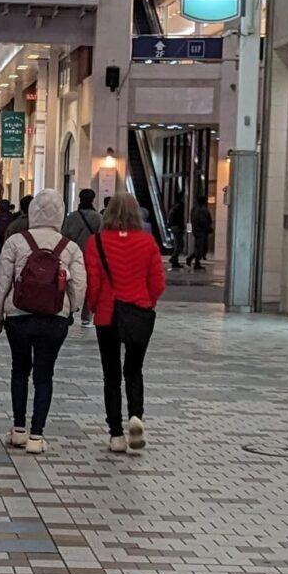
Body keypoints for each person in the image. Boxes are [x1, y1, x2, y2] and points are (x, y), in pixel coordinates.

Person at [0, 188, 87, 455]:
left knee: (19, 371)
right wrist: (71, 309)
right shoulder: (70, 247)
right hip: (54, 319)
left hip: (18, 316)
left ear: (32, 213)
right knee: (44, 375)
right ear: (60, 214)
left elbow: (1, 280)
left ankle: (18, 429)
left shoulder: (16, 242)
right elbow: (78, 285)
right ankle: (37, 435)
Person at [84, 188, 165, 455]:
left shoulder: (96, 243)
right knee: (134, 369)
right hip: (139, 313)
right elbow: (158, 283)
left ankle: (116, 435)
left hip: (107, 315)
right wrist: (147, 302)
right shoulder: (148, 243)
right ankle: (136, 416)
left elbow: (94, 283)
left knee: (111, 374)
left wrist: (94, 307)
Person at [62, 185, 99, 252]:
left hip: (73, 251)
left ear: (80, 199)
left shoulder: (71, 217)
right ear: (92, 200)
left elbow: (64, 236)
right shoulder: (99, 218)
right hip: (91, 252)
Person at [191, 187, 214, 271]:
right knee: (200, 248)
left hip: (196, 230)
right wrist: (208, 228)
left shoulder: (194, 209)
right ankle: (195, 262)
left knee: (198, 247)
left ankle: (193, 260)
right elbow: (204, 220)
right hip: (201, 231)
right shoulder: (202, 210)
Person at [166, 189, 186, 269]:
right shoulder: (180, 206)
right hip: (177, 227)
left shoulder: (174, 206)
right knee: (179, 244)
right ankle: (174, 258)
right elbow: (180, 218)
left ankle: (174, 259)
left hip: (173, 226)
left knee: (177, 244)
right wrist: (182, 226)